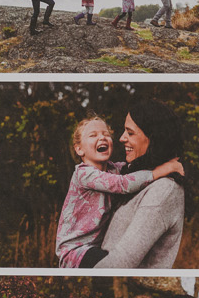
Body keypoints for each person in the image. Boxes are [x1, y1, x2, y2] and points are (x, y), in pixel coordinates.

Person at [53, 114, 183, 268]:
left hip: (94, 246)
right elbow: (123, 184)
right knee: (110, 266)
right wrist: (160, 171)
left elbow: (135, 169)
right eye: (93, 135)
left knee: (109, 261)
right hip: (75, 250)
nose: (101, 138)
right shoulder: (83, 174)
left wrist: (164, 160)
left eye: (105, 134)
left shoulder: (114, 168)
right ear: (79, 149)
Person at [92, 99, 187, 269]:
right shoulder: (140, 181)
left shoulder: (164, 190)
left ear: (153, 138)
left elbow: (120, 263)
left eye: (130, 132)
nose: (122, 138)